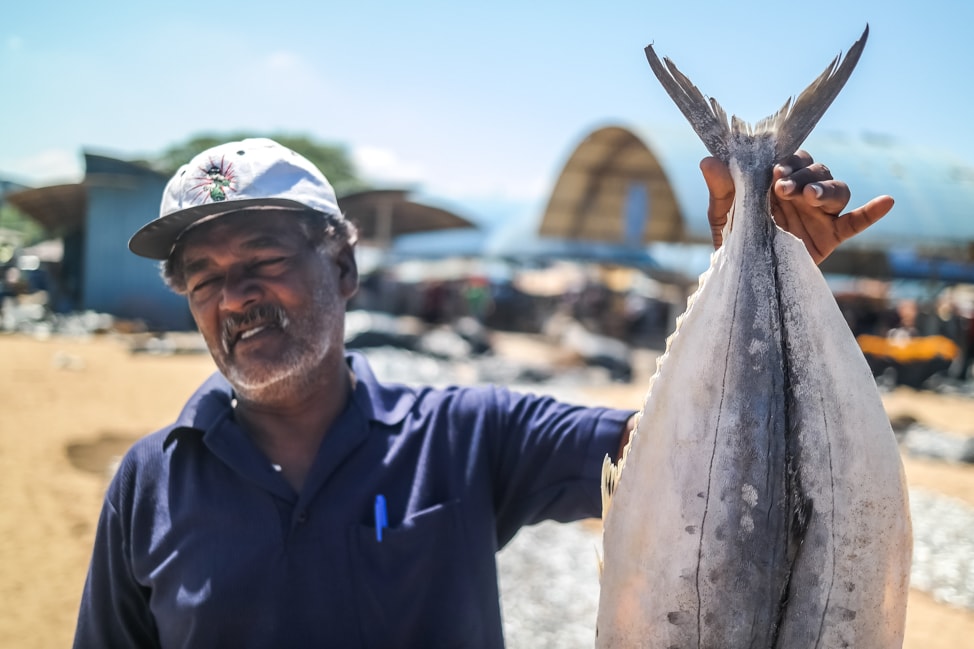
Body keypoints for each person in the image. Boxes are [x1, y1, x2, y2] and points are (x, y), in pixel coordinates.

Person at [72, 137, 893, 648]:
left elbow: (686, 464)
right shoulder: (148, 482)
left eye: (263, 259)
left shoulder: (466, 433)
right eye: (204, 278)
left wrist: (768, 275)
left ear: (344, 268)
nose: (235, 296)